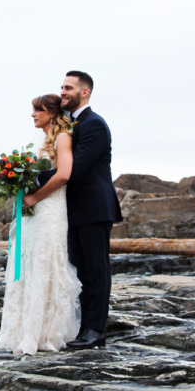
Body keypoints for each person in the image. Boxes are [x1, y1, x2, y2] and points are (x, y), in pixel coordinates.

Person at [0, 94, 82, 355]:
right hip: (34, 211)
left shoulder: (62, 138)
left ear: (52, 113)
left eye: (39, 110)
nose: (33, 115)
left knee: (46, 264)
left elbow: (64, 174)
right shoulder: (39, 140)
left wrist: (35, 196)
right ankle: (21, 331)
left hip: (51, 210)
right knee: (30, 262)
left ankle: (42, 334)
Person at [59, 71, 123, 350]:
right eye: (61, 87)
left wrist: (33, 183)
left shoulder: (95, 124)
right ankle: (84, 328)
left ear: (84, 92)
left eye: (68, 88)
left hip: (95, 207)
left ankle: (96, 331)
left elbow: (77, 168)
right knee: (81, 271)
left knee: (97, 271)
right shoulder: (69, 124)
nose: (63, 91)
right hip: (74, 210)